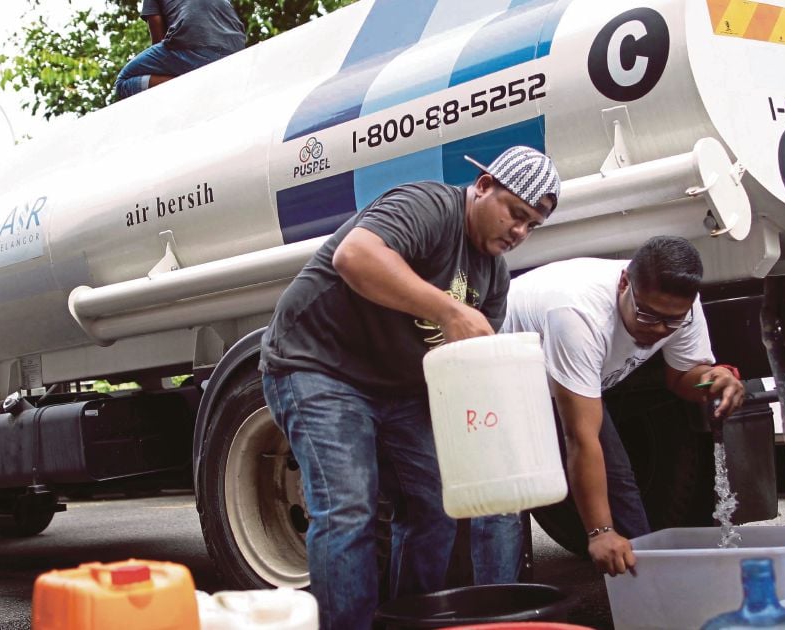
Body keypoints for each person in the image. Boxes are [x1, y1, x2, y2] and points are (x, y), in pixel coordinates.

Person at [259, 146, 560, 629]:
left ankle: (407, 621)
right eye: (516, 213)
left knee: (437, 505)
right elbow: (354, 256)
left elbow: (462, 369)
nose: (520, 232)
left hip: (399, 388)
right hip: (318, 363)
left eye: (532, 226)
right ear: (483, 186)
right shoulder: (428, 207)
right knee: (347, 509)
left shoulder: (493, 276)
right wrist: (449, 309)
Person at [473, 236, 745, 579]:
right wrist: (599, 533)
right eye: (648, 315)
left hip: (562, 374)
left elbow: (681, 379)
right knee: (503, 504)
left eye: (671, 322)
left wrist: (716, 378)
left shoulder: (682, 308)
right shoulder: (577, 314)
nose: (659, 330)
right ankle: (498, 610)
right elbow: (581, 438)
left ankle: (650, 591)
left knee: (620, 483)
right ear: (624, 283)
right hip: (499, 378)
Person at [114, 0, 246, 100]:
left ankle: (192, 87)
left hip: (193, 44)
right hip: (236, 51)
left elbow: (157, 38)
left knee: (123, 82)